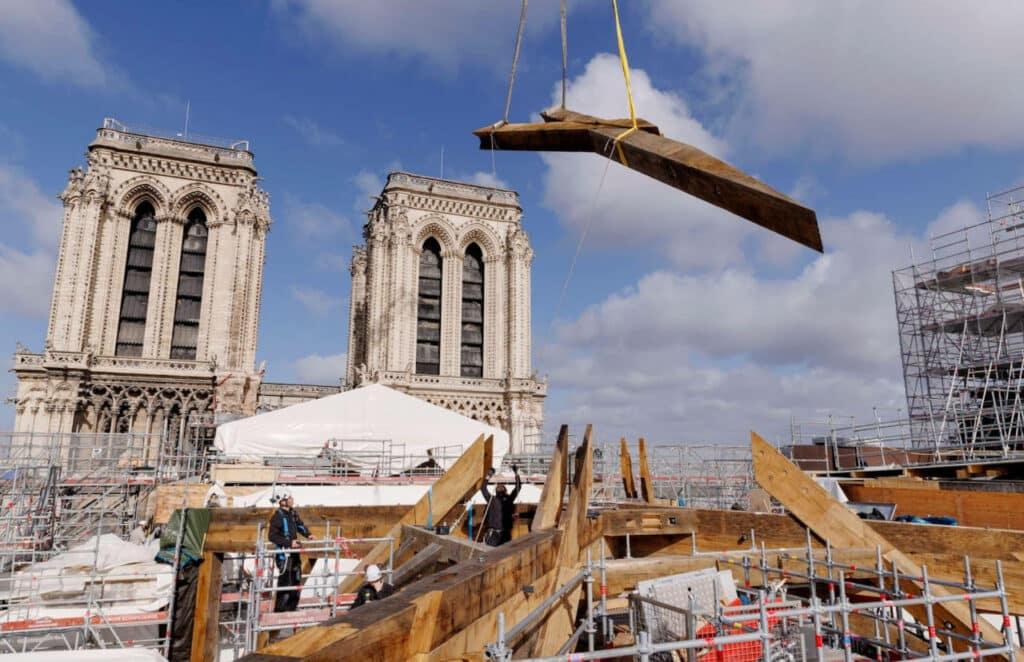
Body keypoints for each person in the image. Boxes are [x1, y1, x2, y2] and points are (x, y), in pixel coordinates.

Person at [268, 491, 313, 613]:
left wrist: (308, 535)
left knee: (296, 580)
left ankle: (292, 608)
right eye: (289, 498)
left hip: (293, 554)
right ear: (283, 501)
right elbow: (272, 536)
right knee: (285, 582)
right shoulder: (277, 517)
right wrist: (288, 543)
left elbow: (300, 525)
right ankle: (280, 611)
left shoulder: (292, 513)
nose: (292, 499)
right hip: (283, 555)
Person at [480, 464, 521, 546]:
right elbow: (518, 487)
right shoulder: (508, 499)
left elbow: (483, 488)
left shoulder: (493, 500)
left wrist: (489, 474)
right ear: (505, 491)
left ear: (496, 492)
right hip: (504, 535)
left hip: (496, 534)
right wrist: (516, 473)